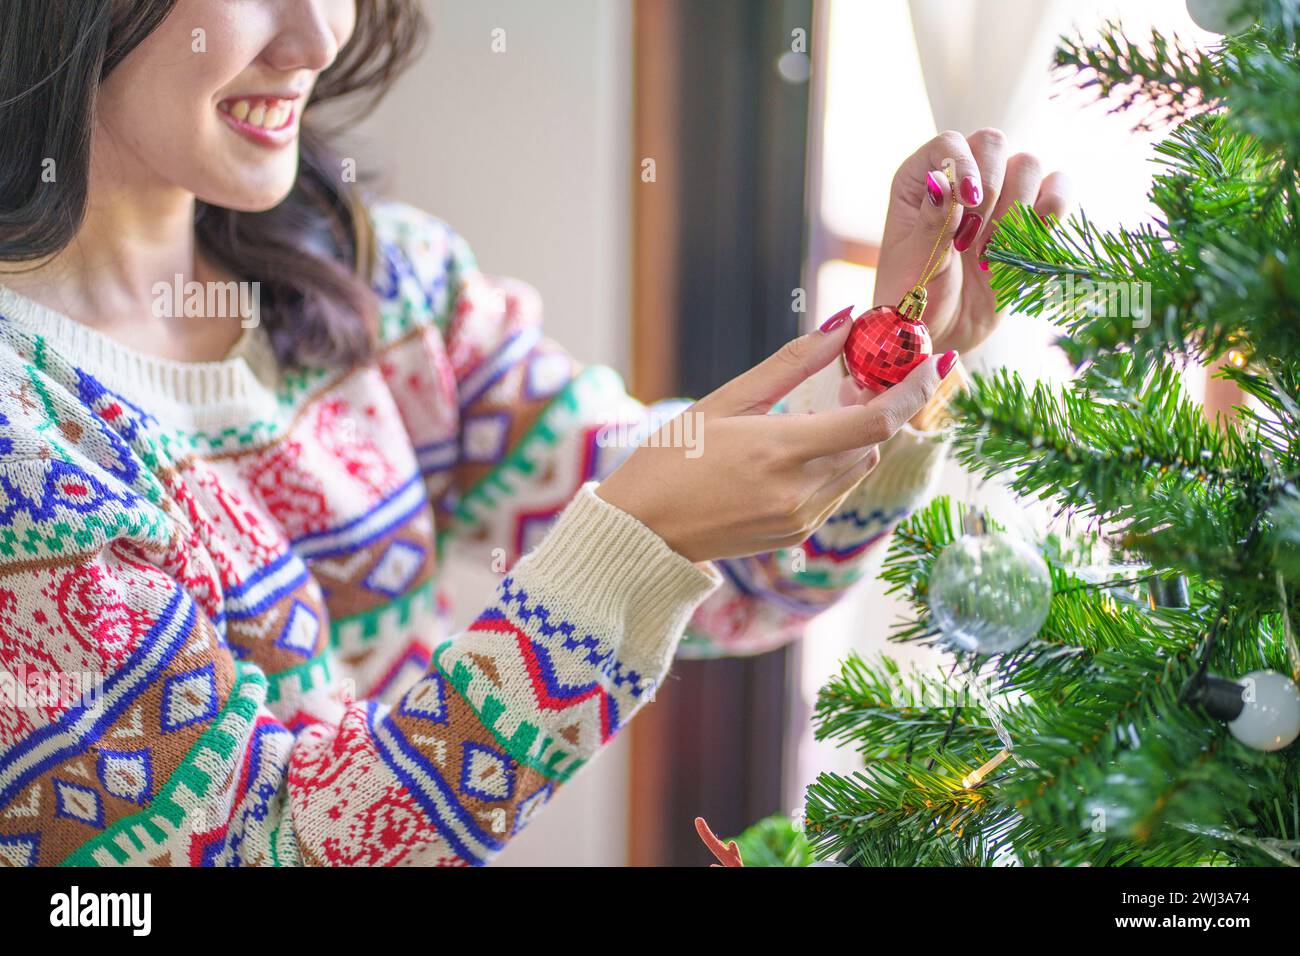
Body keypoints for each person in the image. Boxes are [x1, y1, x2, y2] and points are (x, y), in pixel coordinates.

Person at [0, 0, 1069, 865]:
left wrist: (892, 339)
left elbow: (752, 575)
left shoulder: (385, 287)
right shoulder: (25, 447)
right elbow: (252, 844)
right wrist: (631, 543)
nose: (319, 35)